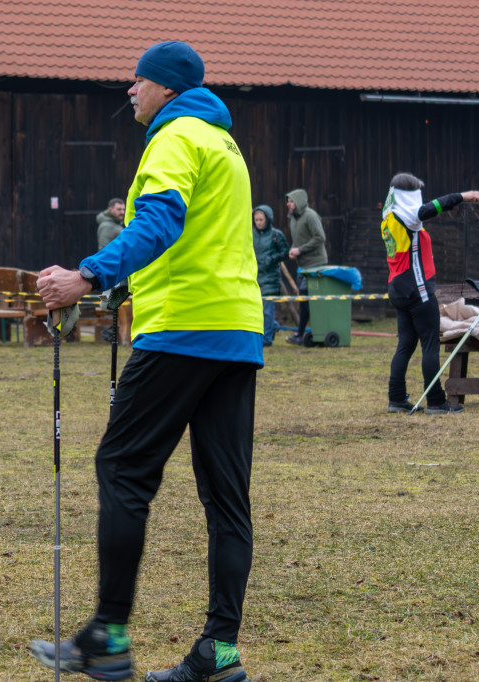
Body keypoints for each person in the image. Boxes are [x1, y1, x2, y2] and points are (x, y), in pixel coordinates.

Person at [29, 41, 261, 682]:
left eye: (138, 81)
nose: (130, 91)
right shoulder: (223, 144)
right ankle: (221, 652)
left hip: (182, 332)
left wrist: (88, 275)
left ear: (166, 87)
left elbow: (160, 222)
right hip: (236, 333)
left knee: (122, 468)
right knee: (226, 498)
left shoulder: (174, 137)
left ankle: (107, 636)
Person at [382, 172, 479, 414]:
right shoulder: (411, 217)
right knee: (430, 344)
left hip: (397, 288)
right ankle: (436, 401)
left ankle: (396, 398)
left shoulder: (388, 216)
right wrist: (464, 195)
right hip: (417, 290)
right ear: (410, 195)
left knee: (405, 344)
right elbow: (433, 207)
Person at [284, 189, 327, 345]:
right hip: (302, 265)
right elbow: (300, 239)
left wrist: (300, 250)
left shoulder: (310, 216)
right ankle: (301, 334)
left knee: (309, 301)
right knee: (303, 300)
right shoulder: (293, 219)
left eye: (291, 201)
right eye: (287, 201)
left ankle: (306, 334)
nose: (288, 204)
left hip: (315, 264)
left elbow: (320, 237)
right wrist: (293, 250)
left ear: (299, 201)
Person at [97, 197, 133, 346]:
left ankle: (114, 335)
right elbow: (104, 249)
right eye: (119, 209)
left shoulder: (115, 224)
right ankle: (108, 335)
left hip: (120, 270)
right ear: (110, 209)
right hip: (113, 271)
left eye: (123, 209)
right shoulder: (107, 226)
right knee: (110, 302)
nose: (122, 212)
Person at [252, 204, 289, 346]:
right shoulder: (250, 233)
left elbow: (285, 252)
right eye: (256, 220)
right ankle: (273, 326)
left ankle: (267, 338)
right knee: (257, 310)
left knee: (267, 310)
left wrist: (272, 258)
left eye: (261, 220)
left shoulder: (276, 235)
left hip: (271, 277)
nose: (259, 223)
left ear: (268, 219)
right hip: (255, 276)